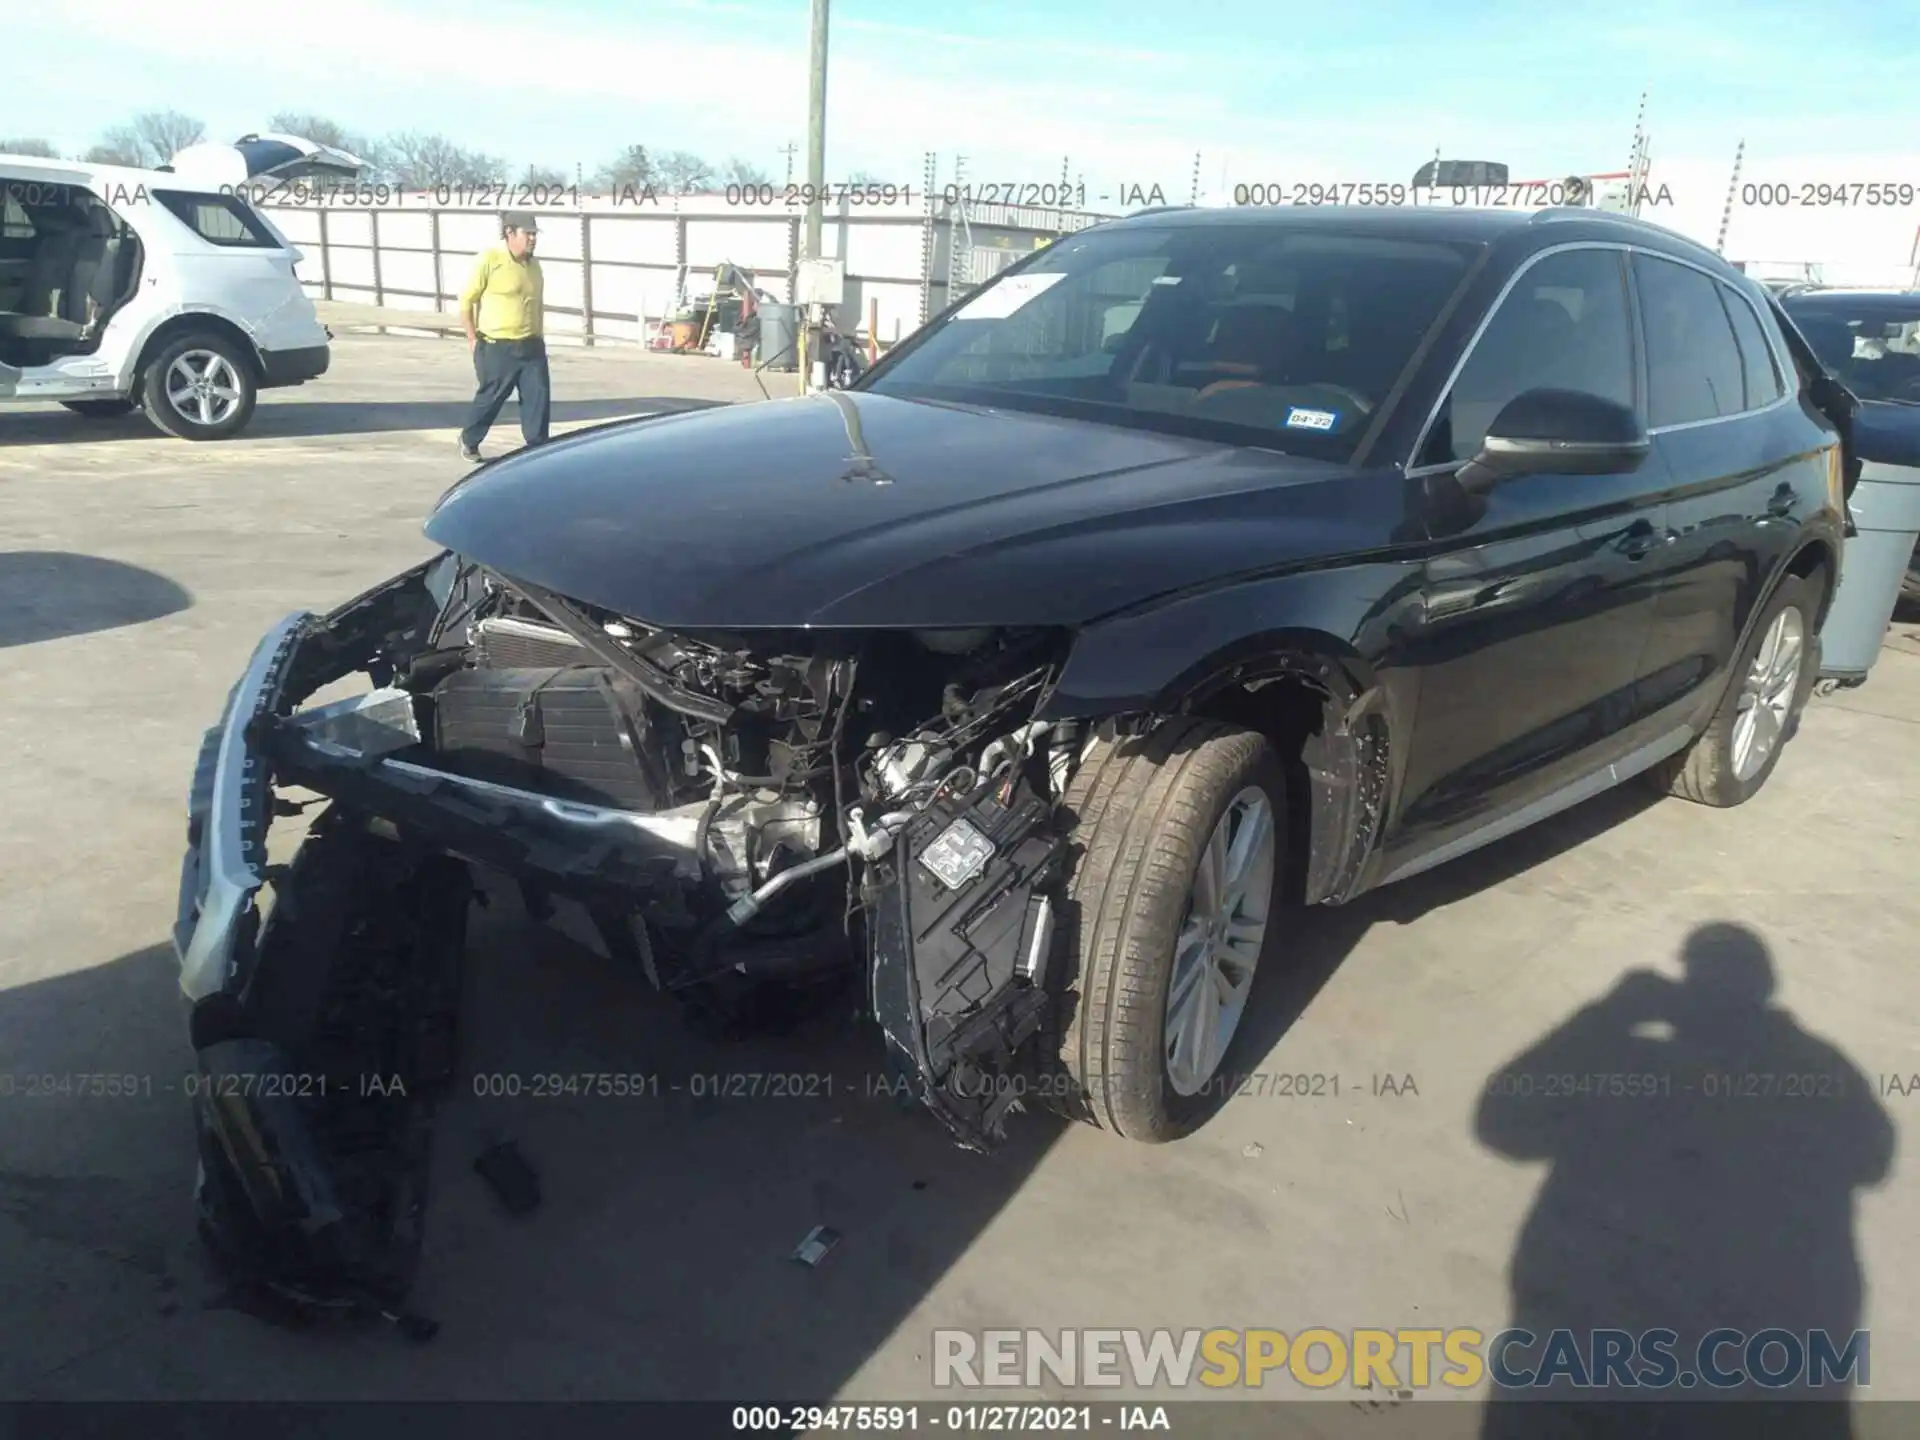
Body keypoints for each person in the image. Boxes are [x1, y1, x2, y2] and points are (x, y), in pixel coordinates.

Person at [457, 211, 548, 462]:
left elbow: (537, 304)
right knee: (491, 399)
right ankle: (470, 439)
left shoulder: (534, 265)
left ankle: (537, 450)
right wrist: (472, 338)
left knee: (538, 400)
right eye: (527, 233)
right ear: (510, 232)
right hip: (498, 346)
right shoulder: (490, 259)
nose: (532, 239)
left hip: (532, 346)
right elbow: (466, 300)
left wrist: (539, 337)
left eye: (534, 234)